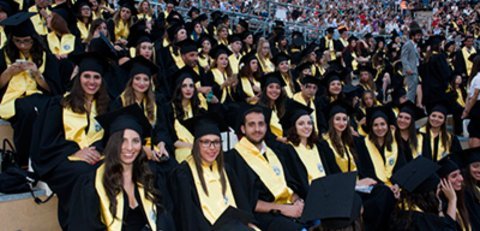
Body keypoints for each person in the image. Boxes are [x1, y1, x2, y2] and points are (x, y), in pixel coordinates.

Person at [30, 52, 109, 229]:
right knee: (86, 175)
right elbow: (47, 141)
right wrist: (74, 150)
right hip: (61, 159)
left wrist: (97, 150)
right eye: (86, 76)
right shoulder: (59, 104)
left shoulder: (105, 106)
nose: (91, 81)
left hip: (96, 158)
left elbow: (109, 137)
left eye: (96, 77)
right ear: (78, 78)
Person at [68, 105, 175, 231]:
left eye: (135, 141)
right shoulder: (91, 183)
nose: (129, 147)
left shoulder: (150, 176)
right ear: (112, 143)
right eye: (123, 140)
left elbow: (165, 215)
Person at [170, 113, 255, 230]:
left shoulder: (226, 169)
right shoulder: (183, 174)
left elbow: (242, 206)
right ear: (196, 144)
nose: (212, 147)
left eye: (216, 142)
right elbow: (189, 217)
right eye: (206, 142)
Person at [225, 107, 304, 230]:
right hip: (263, 216)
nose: (257, 129)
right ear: (243, 129)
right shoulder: (233, 159)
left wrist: (298, 201)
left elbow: (290, 185)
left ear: (266, 127)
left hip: (288, 209)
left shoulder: (276, 153)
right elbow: (247, 201)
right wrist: (284, 209)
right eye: (251, 125)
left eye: (261, 124)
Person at [0, 12, 61, 166]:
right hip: (12, 99)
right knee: (27, 111)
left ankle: (47, 158)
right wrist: (8, 73)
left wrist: (37, 75)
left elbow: (53, 88)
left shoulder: (45, 55)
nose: (22, 45)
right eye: (17, 41)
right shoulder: (4, 54)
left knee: (50, 107)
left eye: (27, 41)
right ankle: (24, 160)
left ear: (34, 39)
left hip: (37, 95)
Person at [110, 56, 170, 162]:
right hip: (128, 150)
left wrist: (161, 143)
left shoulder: (155, 102)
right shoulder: (119, 102)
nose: (142, 83)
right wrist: (142, 149)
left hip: (154, 148)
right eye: (137, 78)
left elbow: (162, 128)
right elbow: (116, 133)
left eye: (146, 79)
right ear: (131, 80)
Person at [390, 157, 458, 231]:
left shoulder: (400, 215)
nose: (439, 193)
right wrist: (452, 200)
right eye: (438, 188)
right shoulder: (424, 221)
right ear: (430, 194)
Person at [281, 100, 328, 199]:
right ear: (294, 127)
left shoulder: (318, 147)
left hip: (327, 192)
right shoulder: (288, 150)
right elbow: (295, 181)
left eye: (309, 123)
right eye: (301, 124)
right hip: (309, 197)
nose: (307, 127)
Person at [437, 157, 472, 231]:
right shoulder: (439, 206)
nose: (461, 178)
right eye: (454, 176)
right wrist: (452, 200)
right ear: (442, 182)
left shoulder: (464, 197)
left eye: (460, 173)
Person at [457, 147, 480, 230]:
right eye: (475, 166)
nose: (479, 170)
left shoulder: (476, 187)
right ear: (467, 168)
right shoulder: (466, 192)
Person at [401, 22, 422, 104]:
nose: (419, 38)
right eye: (417, 36)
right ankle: (409, 106)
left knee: (413, 91)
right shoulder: (408, 44)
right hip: (410, 71)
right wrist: (408, 69)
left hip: (415, 70)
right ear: (412, 36)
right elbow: (404, 58)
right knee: (410, 91)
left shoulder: (415, 46)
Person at [463, 54, 480, 148]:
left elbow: (474, 96)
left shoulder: (478, 78)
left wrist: (467, 110)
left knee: (475, 134)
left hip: (477, 107)